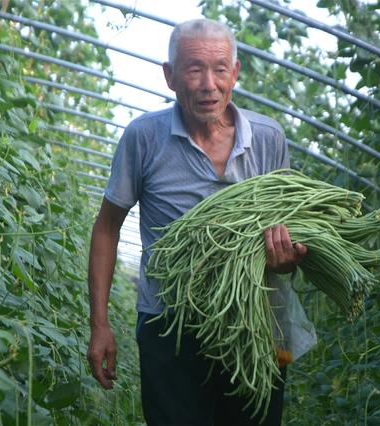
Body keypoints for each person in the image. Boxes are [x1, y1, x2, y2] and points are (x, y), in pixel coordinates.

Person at [86, 18, 308, 426]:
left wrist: (286, 258)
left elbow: (284, 232)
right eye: (194, 69)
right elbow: (107, 226)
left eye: (220, 68)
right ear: (170, 77)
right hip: (169, 326)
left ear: (235, 73)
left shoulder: (268, 138)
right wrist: (99, 325)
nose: (209, 83)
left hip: (253, 324)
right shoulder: (143, 138)